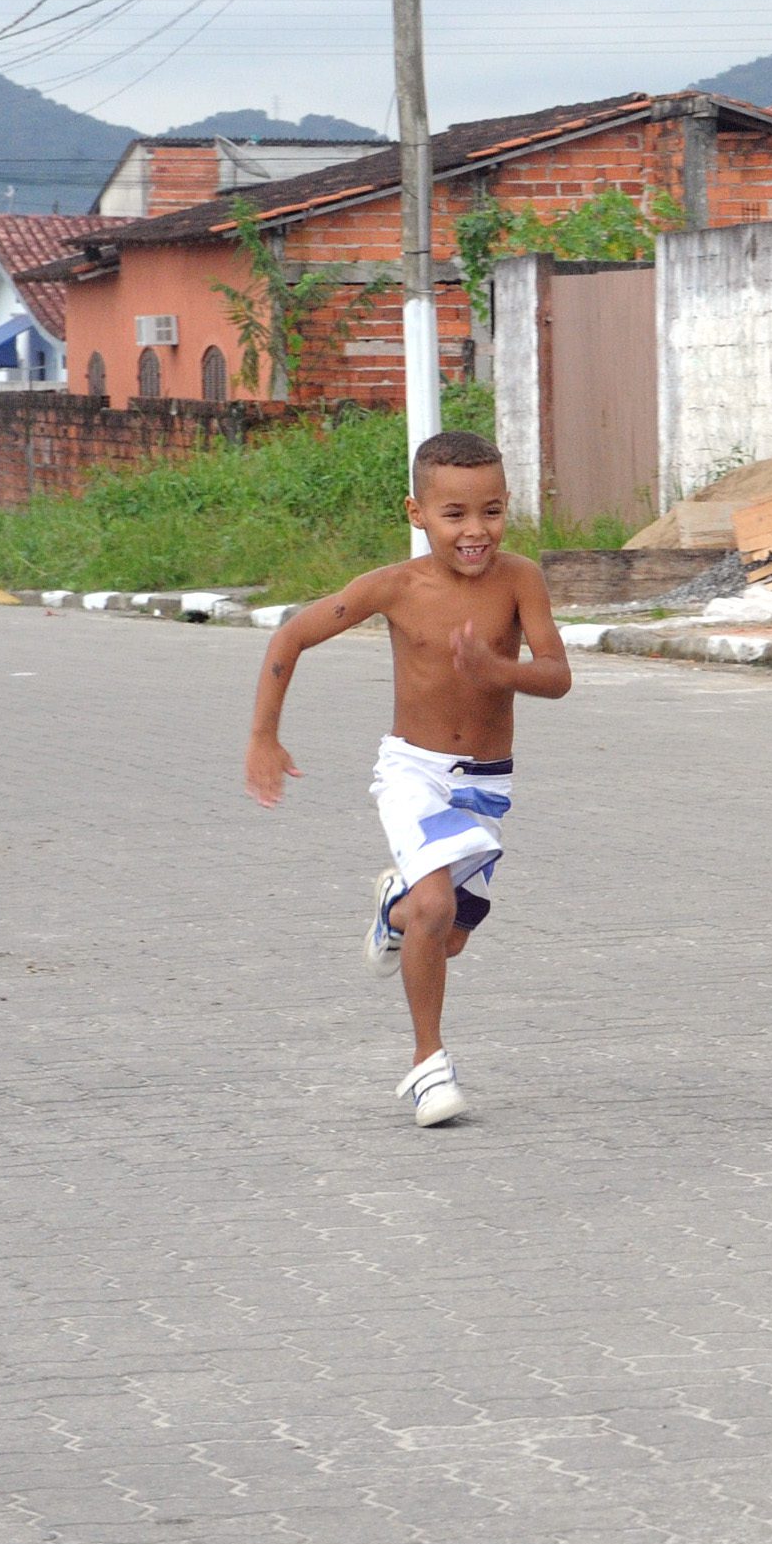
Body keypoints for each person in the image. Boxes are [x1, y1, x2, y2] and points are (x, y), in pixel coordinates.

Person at [244, 428, 572, 1128]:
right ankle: (429, 1067)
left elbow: (556, 676)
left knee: (445, 932)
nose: (476, 531)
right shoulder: (394, 587)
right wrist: (263, 735)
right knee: (436, 910)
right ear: (417, 513)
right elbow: (291, 637)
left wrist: (499, 672)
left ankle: (393, 905)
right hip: (413, 773)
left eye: (492, 510)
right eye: (454, 515)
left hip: (487, 782)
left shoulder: (521, 580)